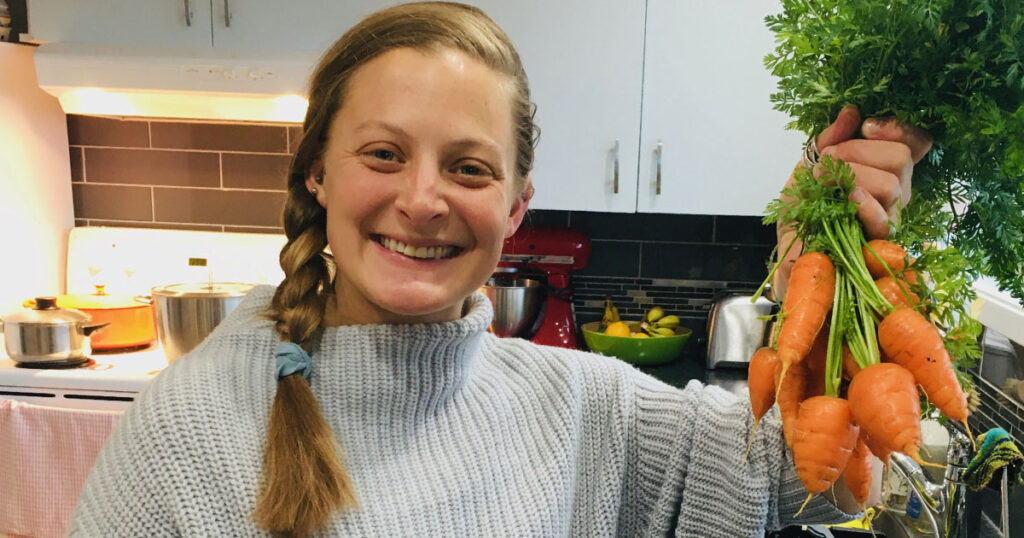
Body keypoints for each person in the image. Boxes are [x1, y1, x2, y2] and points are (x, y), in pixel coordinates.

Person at [68, 3, 932, 537]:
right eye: (383, 152)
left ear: (516, 209)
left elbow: (805, 480)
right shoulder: (187, 428)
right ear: (317, 174)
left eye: (469, 168)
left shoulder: (582, 409)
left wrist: (821, 250)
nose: (423, 198)